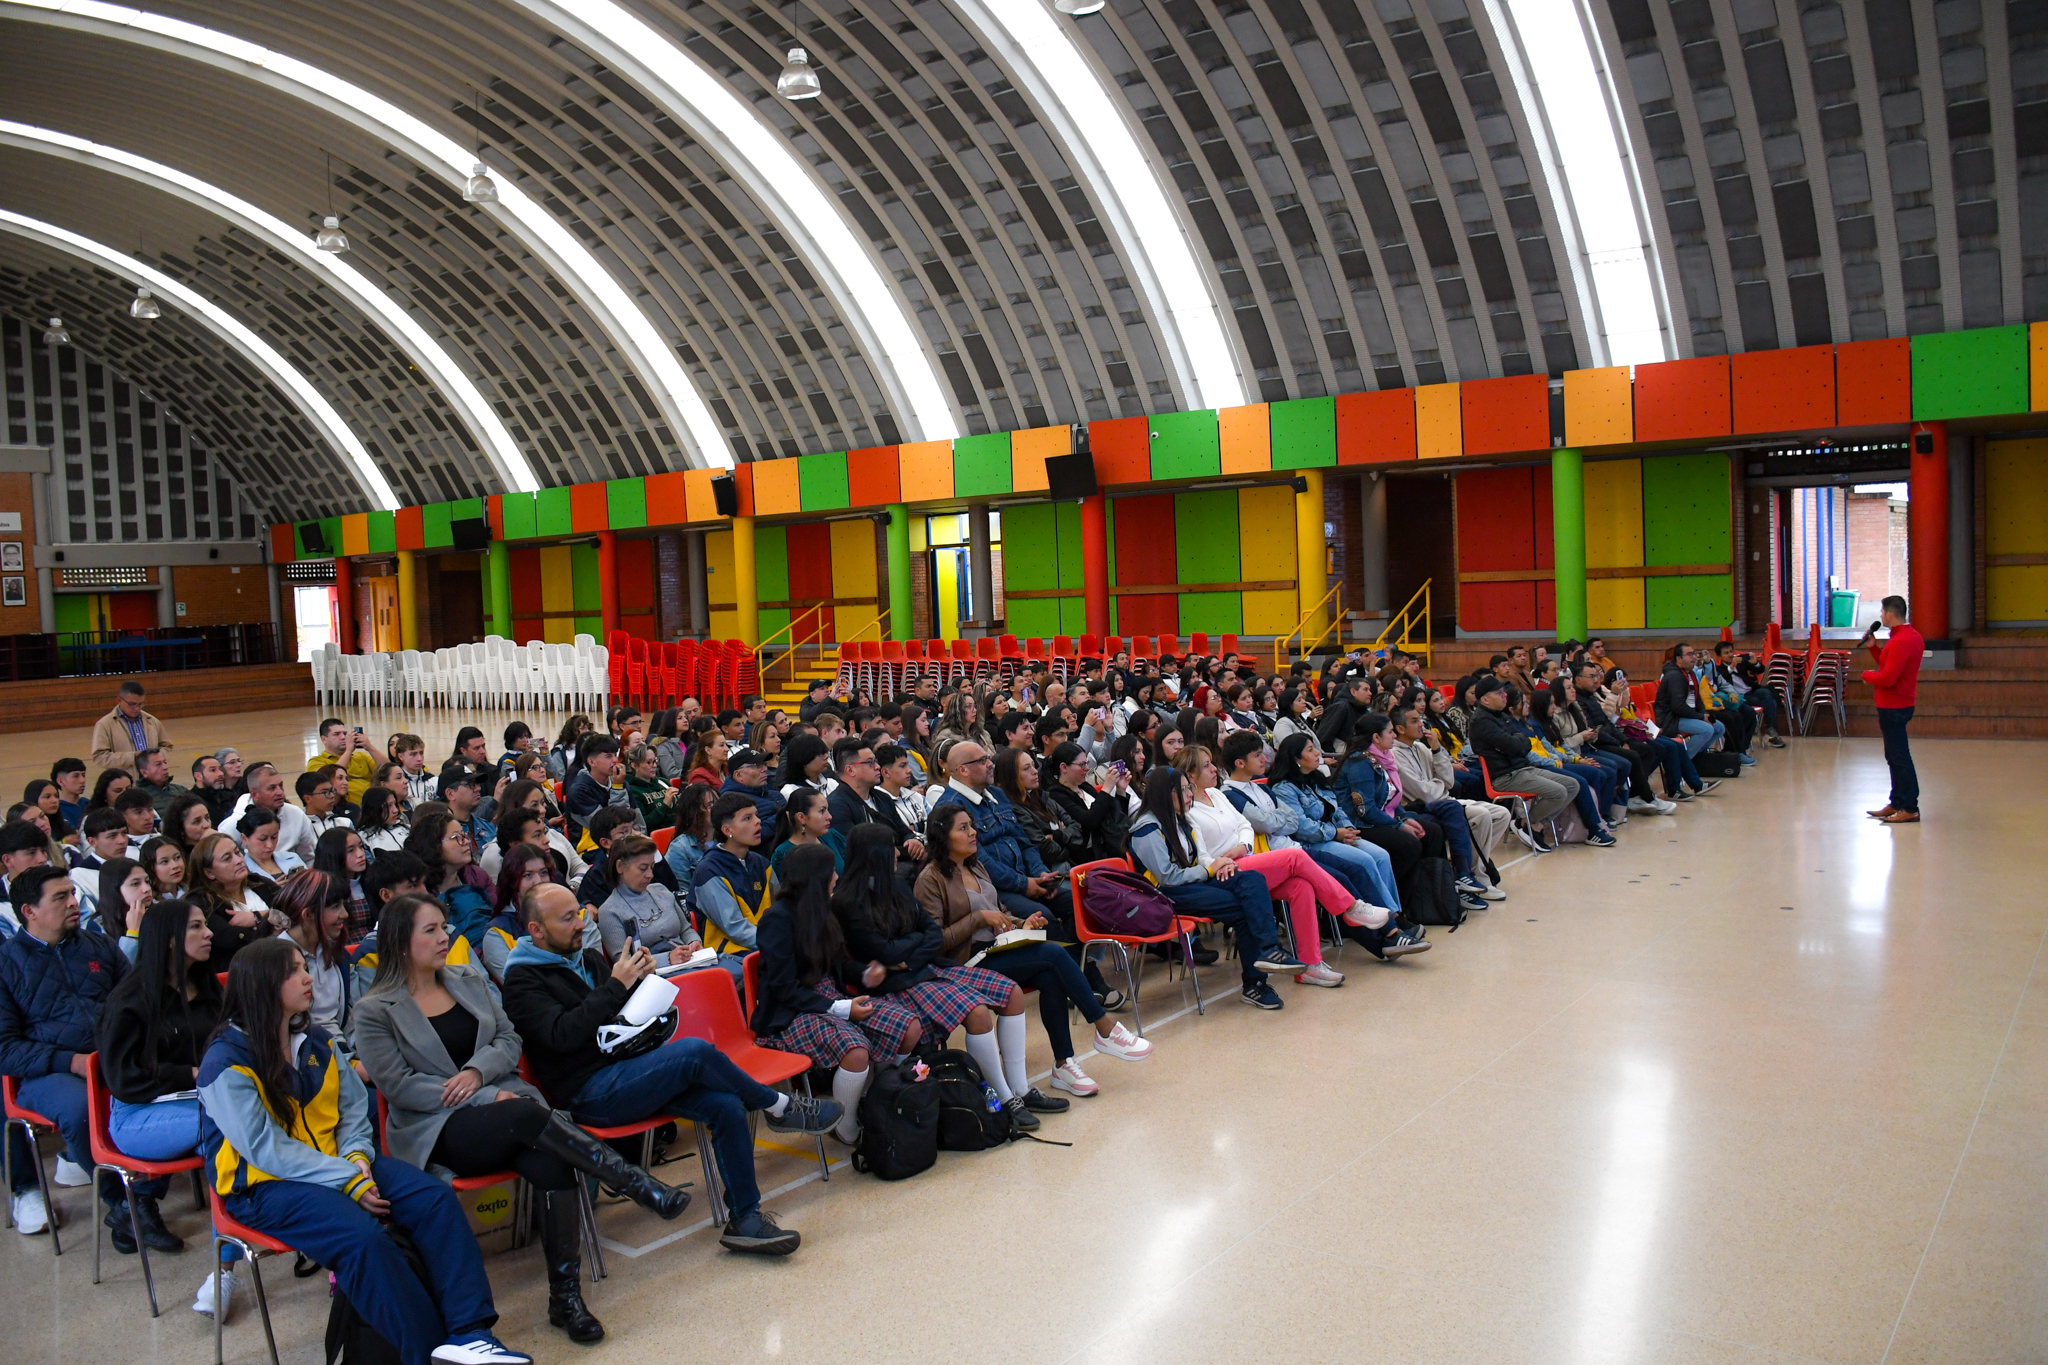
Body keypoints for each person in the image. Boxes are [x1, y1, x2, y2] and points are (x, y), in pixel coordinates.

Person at [352, 895, 688, 1348]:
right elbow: (400, 1087)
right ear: (399, 940)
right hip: (438, 1127)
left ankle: (565, 1299)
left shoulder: (467, 979)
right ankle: (631, 1180)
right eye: (430, 930)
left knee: (551, 1163)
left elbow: (509, 1039)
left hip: (511, 1113)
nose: (445, 936)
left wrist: (477, 1073)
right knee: (524, 1114)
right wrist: (487, 1094)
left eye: (444, 926)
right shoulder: (374, 1010)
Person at [199, 938, 535, 1365]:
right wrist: (347, 1178)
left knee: (434, 1199)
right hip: (264, 1187)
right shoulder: (225, 1062)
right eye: (294, 971)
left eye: (305, 966)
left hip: (341, 1163)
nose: (308, 978)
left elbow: (353, 1108)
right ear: (262, 985)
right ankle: (426, 1354)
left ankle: (471, 1334)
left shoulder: (315, 1040)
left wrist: (357, 1156)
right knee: (363, 1239)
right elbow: (266, 1150)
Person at [502, 882, 839, 1255]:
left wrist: (642, 982)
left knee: (726, 1105)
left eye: (579, 914)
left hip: (630, 1070)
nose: (581, 924)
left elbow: (620, 1018)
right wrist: (616, 986)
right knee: (693, 1052)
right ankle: (778, 1106)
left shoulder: (586, 958)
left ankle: (744, 1219)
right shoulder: (521, 980)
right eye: (568, 919)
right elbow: (561, 1036)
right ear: (536, 930)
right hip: (588, 1092)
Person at [917, 805, 1151, 1101]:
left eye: (971, 825)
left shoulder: (975, 866)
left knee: (1050, 975)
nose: (973, 832)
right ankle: (1104, 1027)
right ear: (943, 836)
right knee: (1052, 955)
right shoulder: (930, 879)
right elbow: (934, 941)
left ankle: (1064, 1064)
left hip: (994, 948)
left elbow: (999, 911)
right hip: (963, 962)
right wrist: (978, 919)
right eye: (963, 828)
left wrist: (1021, 924)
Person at [832, 825, 1044, 1129]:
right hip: (898, 986)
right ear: (874, 853)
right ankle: (1005, 1098)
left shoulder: (897, 884)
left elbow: (932, 934)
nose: (897, 853)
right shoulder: (846, 902)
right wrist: (908, 951)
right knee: (978, 1013)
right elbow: (885, 952)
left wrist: (906, 955)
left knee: (1012, 993)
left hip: (924, 968)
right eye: (891, 847)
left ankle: (1021, 1088)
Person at [750, 842, 918, 1145]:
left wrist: (865, 974)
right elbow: (784, 988)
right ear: (815, 878)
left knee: (909, 1026)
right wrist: (841, 1008)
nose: (837, 878)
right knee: (855, 1051)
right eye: (831, 873)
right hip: (793, 1012)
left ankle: (876, 1099)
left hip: (833, 999)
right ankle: (846, 1128)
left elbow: (839, 963)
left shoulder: (823, 910)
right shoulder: (777, 919)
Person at [1178, 744, 1386, 987]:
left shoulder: (1216, 794)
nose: (1215, 769)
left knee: (1301, 887)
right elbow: (1198, 853)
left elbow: (1244, 825)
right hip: (1225, 870)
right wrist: (1221, 860)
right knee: (1294, 857)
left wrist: (1243, 846)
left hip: (1245, 856)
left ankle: (1310, 965)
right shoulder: (1187, 809)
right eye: (1206, 766)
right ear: (1191, 776)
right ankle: (1350, 906)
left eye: (1212, 763)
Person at [0, 866, 130, 1237]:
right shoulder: (6, 963)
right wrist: (69, 1061)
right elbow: (5, 1048)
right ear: (29, 911)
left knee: (180, 1081)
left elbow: (135, 1001)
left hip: (112, 1056)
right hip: (48, 1072)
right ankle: (122, 1203)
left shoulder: (98, 945)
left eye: (72, 893)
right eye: (61, 897)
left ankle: (149, 1190)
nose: (74, 902)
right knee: (80, 1109)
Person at [95, 898, 223, 1269]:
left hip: (195, 1101)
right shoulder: (130, 1000)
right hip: (137, 1115)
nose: (209, 933)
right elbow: (124, 1080)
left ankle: (135, 1206)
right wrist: (189, 1073)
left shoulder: (204, 986)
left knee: (242, 1112)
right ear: (168, 939)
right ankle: (234, 1233)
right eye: (196, 927)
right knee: (225, 1121)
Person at [1126, 768, 1304, 1011]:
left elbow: (1198, 858)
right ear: (1165, 794)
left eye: (1189, 788)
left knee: (1251, 879)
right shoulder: (1146, 828)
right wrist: (1210, 870)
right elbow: (1168, 878)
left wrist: (1220, 865)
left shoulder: (1180, 818)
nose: (1190, 794)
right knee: (1242, 909)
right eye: (1183, 789)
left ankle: (1270, 950)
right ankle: (1255, 985)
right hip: (1167, 894)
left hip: (1193, 880)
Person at [1260, 735, 1428, 961]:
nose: (1317, 753)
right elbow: (1301, 826)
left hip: (1337, 835)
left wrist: (1347, 828)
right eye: (1310, 750)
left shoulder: (1317, 779)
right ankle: (1390, 925)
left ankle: (1394, 915)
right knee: (1364, 861)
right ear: (1296, 758)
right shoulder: (1285, 788)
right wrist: (1335, 833)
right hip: (1314, 842)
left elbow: (1338, 810)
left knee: (1380, 855)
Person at [1385, 706, 1511, 900]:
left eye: (1420, 719)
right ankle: (1477, 877)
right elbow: (1425, 795)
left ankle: (1469, 870)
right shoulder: (1395, 754)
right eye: (1414, 721)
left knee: (1502, 814)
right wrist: (1440, 784)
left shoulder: (1421, 747)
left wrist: (1436, 750)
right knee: (1482, 816)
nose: (1421, 724)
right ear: (1400, 728)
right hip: (1429, 807)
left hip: (1445, 800)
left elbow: (1449, 782)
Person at [1465, 679, 1581, 845]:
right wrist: (1517, 744)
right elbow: (1514, 745)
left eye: (1503, 692)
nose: (1504, 696)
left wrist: (1517, 744)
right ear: (1485, 699)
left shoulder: (1500, 715)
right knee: (1559, 792)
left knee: (1572, 785)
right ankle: (1526, 823)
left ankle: (1533, 824)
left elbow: (1524, 741)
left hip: (1522, 768)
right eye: (1499, 693)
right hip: (1505, 776)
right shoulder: (1481, 721)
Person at [594, 833, 707, 968]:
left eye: (652, 867)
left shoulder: (661, 890)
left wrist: (693, 942)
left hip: (688, 961)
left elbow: (685, 929)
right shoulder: (609, 911)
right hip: (652, 974)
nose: (650, 875)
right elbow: (623, 963)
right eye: (643, 868)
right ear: (620, 867)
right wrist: (667, 959)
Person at [692, 794, 772, 973]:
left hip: (763, 944)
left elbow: (780, 906)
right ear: (727, 830)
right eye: (747, 818)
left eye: (756, 815)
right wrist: (776, 941)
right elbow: (735, 928)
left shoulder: (761, 863)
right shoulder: (709, 871)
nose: (758, 821)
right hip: (729, 954)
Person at [1862, 594, 1924, 824]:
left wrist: (1866, 675)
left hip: (1894, 705)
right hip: (1896, 704)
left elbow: (1888, 678)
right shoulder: (1907, 636)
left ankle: (1910, 807)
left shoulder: (1901, 640)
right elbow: (1890, 665)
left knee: (1900, 757)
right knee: (1893, 756)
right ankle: (1897, 802)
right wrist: (1873, 648)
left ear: (1889, 614)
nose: (1881, 615)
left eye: (1882, 612)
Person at [407, 810, 496, 953]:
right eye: (456, 837)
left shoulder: (477, 875)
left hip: (489, 947)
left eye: (464, 835)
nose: (466, 841)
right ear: (433, 845)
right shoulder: (420, 887)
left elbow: (497, 914)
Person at [187, 831, 277, 968]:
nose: (238, 860)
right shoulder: (202, 902)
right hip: (242, 969)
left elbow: (297, 907)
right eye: (227, 859)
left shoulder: (259, 882)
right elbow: (231, 940)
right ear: (209, 873)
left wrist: (257, 917)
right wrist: (279, 922)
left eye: (237, 853)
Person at [226, 763, 316, 865]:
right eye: (272, 788)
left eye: (280, 786)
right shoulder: (232, 825)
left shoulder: (297, 815)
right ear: (254, 794)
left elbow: (308, 859)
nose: (280, 792)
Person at [90, 680, 170, 774]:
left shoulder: (153, 721)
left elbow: (166, 747)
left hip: (152, 781)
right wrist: (134, 757)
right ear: (119, 700)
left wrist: (156, 758)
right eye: (132, 704)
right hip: (124, 781)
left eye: (140, 704)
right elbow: (99, 757)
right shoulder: (104, 725)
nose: (136, 708)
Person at [307, 719, 379, 806]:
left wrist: (370, 748)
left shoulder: (361, 756)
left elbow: (387, 770)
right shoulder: (316, 761)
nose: (343, 737)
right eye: (336, 734)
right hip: (343, 808)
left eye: (344, 733)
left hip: (372, 805)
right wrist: (348, 751)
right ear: (324, 739)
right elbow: (327, 780)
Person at [94, 857, 154, 959]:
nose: (147, 889)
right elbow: (121, 967)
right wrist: (133, 933)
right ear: (114, 890)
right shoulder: (97, 927)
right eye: (135, 884)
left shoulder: (159, 912)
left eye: (147, 881)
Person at [717, 747, 785, 831]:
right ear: (738, 775)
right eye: (757, 765)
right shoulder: (732, 803)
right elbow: (753, 833)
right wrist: (785, 817)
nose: (765, 769)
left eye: (764, 764)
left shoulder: (773, 794)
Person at [665, 782, 716, 888]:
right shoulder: (680, 848)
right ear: (694, 812)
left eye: (718, 803)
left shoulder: (728, 838)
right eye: (710, 805)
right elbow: (681, 892)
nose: (717, 809)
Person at [237, 805, 302, 881]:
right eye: (262, 839)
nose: (270, 845)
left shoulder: (293, 858)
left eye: (274, 837)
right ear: (244, 839)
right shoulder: (242, 871)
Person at [621, 743, 677, 831]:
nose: (654, 766)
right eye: (648, 762)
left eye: (655, 761)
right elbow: (644, 823)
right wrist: (665, 805)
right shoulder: (632, 790)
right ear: (634, 766)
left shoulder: (663, 782)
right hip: (655, 834)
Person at [132, 747, 188, 816]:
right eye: (158, 764)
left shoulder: (181, 790)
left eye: (165, 762)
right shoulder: (135, 797)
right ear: (144, 772)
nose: (165, 767)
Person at [138, 835, 188, 900]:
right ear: (150, 868)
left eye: (177, 857)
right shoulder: (147, 900)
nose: (175, 865)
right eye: (165, 862)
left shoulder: (193, 890)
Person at [51, 758, 90, 832]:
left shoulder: (90, 804)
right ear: (60, 781)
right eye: (76, 776)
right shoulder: (56, 811)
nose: (82, 780)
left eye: (83, 775)